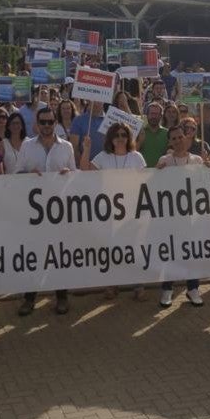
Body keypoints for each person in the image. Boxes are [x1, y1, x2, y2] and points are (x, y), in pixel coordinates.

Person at [14, 107, 77, 316]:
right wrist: (27, 175)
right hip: (35, 213)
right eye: (43, 122)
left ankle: (61, 297)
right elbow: (16, 173)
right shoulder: (27, 146)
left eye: (50, 122)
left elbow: (75, 176)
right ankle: (29, 298)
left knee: (59, 255)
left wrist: (69, 174)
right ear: (36, 124)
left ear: (56, 123)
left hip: (60, 211)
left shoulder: (66, 147)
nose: (47, 126)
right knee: (34, 255)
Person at [84, 122, 149, 302]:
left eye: (124, 134)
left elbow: (145, 181)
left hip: (132, 210)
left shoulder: (136, 157)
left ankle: (138, 284)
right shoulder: (103, 157)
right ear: (110, 138)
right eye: (116, 135)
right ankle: (112, 284)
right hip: (109, 211)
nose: (120, 138)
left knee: (134, 247)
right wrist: (86, 149)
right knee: (112, 248)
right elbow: (85, 170)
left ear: (129, 137)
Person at [155, 123, 205, 307]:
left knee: (193, 253)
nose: (177, 141)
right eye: (173, 138)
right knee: (171, 252)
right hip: (171, 217)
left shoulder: (198, 160)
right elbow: (155, 188)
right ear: (170, 141)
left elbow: (205, 185)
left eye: (180, 137)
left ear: (187, 138)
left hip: (192, 216)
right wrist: (156, 173)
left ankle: (193, 289)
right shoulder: (165, 161)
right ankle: (167, 290)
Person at [137, 102, 169, 168]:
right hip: (142, 173)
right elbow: (132, 152)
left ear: (161, 116)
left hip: (162, 172)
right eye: (152, 114)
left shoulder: (167, 133)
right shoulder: (139, 132)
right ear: (147, 115)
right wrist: (139, 141)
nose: (154, 116)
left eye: (156, 114)